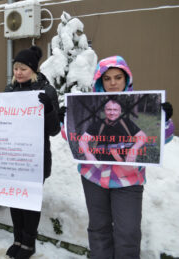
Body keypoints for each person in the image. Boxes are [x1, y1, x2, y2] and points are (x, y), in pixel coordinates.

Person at [64, 56, 175, 258]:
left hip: (128, 180)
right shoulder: (96, 117)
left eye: (117, 77)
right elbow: (74, 139)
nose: (113, 83)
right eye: (107, 79)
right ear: (100, 82)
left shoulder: (128, 119)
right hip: (94, 178)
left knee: (128, 231)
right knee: (98, 228)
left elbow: (161, 140)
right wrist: (65, 120)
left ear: (126, 79)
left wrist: (164, 122)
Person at [1, 46, 60, 258]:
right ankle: (17, 238)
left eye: (23, 68)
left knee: (29, 200)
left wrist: (50, 110)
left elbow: (54, 130)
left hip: (35, 157)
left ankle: (28, 243)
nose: (18, 72)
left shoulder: (47, 91)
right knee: (15, 199)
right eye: (16, 68)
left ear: (33, 70)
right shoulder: (10, 90)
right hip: (13, 156)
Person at [79, 98, 147, 162]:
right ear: (105, 110)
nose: (112, 113)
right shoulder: (98, 124)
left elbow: (142, 136)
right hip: (101, 164)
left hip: (123, 164)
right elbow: (82, 140)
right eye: (109, 109)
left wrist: (134, 149)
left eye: (115, 110)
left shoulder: (127, 123)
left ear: (120, 111)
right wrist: (89, 155)